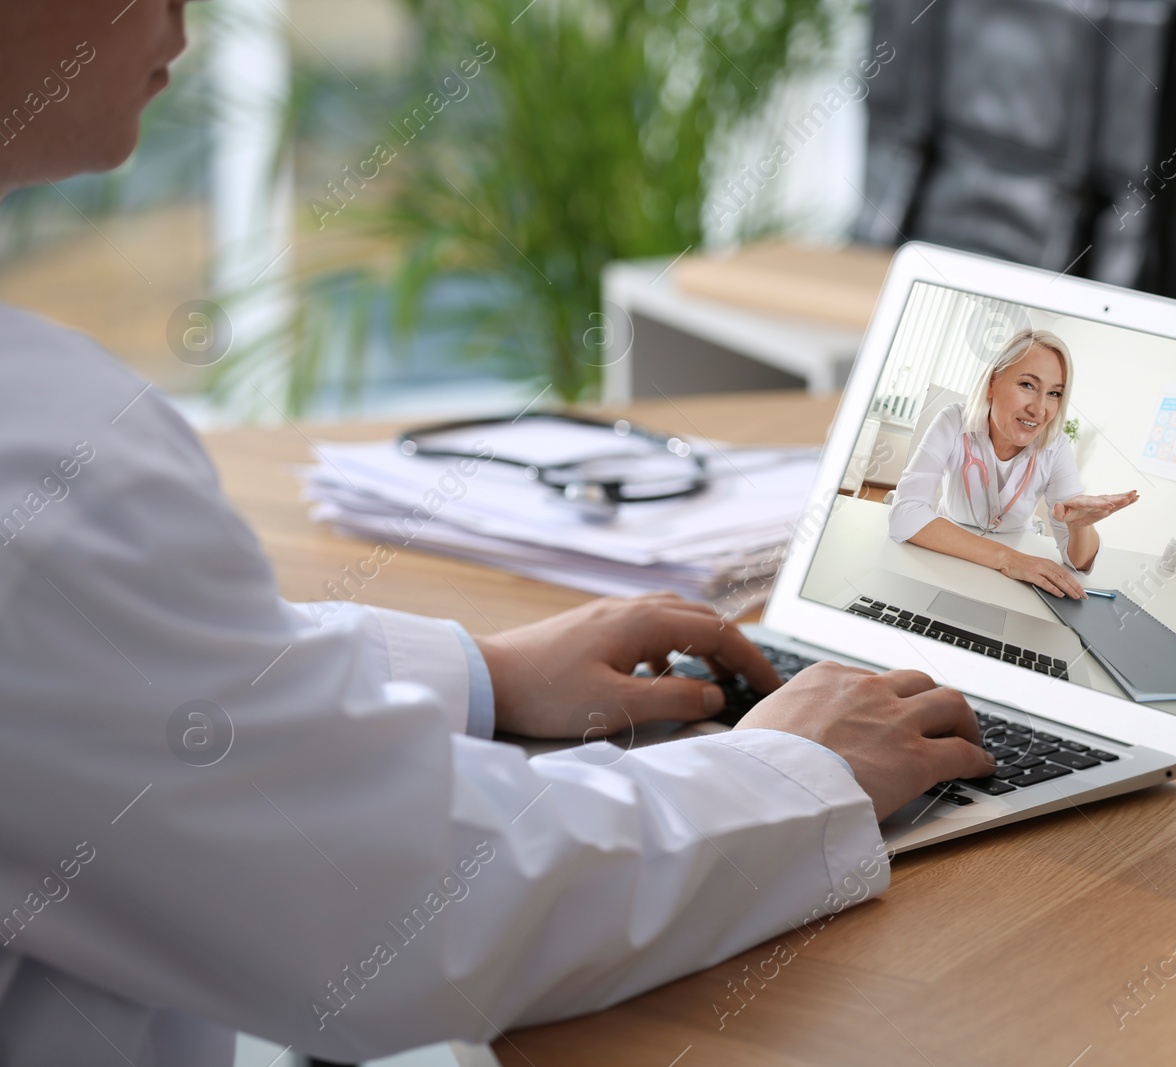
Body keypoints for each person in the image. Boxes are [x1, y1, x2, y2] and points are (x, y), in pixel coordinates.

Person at [0, 3, 994, 1064]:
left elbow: (114, 679)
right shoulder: (48, 462)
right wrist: (794, 771)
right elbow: (406, 915)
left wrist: (475, 673)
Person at [888, 329, 1139, 600]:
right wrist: (1007, 559)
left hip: (1017, 574)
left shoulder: (1055, 445)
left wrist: (1080, 528)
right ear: (992, 383)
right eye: (1027, 385)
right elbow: (906, 514)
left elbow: (1078, 562)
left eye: (1054, 393)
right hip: (951, 553)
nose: (1039, 410)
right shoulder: (953, 421)